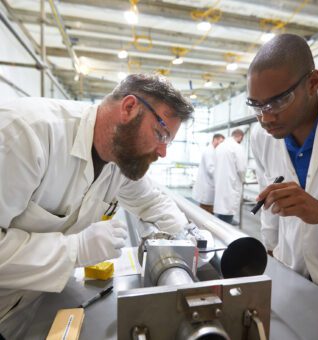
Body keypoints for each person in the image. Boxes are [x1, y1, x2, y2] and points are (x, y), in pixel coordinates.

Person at [0, 74, 194, 339]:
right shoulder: (24, 134)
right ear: (129, 108)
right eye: (160, 134)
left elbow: (154, 202)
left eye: (168, 141)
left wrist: (190, 242)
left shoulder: (117, 161)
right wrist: (75, 249)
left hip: (27, 308)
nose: (163, 152)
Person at [246, 33, 318, 289]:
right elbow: (269, 209)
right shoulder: (262, 137)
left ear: (312, 83)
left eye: (278, 101)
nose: (266, 118)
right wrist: (270, 255)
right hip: (291, 274)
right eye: (256, 106)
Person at [213, 129, 247, 224]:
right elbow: (241, 169)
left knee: (222, 211)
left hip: (220, 184)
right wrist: (243, 179)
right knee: (227, 211)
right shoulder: (237, 147)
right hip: (231, 185)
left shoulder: (220, 146)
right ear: (240, 137)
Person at [192, 133, 225, 214]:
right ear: (215, 140)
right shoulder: (209, 151)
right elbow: (211, 169)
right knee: (206, 212)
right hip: (207, 189)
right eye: (221, 142)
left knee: (208, 211)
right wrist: (222, 175)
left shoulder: (213, 150)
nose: (221, 144)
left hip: (209, 187)